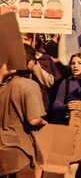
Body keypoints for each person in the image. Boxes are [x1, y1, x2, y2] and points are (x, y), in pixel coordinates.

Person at [0, 47, 47, 178]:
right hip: (20, 151)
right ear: (29, 61)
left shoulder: (3, 86)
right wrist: (44, 121)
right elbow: (34, 120)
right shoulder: (29, 86)